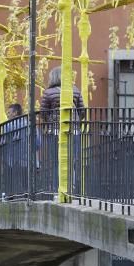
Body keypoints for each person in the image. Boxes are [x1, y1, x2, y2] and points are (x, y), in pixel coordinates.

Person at [40, 66, 84, 196]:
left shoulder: (48, 93)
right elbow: (82, 110)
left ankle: (57, 187)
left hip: (55, 130)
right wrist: (75, 121)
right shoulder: (75, 90)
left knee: (55, 160)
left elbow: (43, 112)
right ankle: (72, 187)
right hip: (74, 129)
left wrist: (50, 121)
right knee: (72, 159)